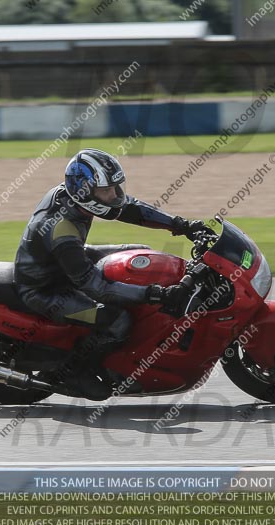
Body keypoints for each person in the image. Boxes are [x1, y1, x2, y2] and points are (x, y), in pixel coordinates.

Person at [14, 148, 211, 400]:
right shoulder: (60, 229)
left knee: (139, 253)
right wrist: (155, 294)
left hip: (62, 263)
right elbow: (93, 286)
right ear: (85, 191)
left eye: (117, 187)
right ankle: (74, 370)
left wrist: (181, 225)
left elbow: (130, 209)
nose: (115, 195)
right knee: (118, 320)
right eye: (108, 190)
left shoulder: (72, 197)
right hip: (45, 288)